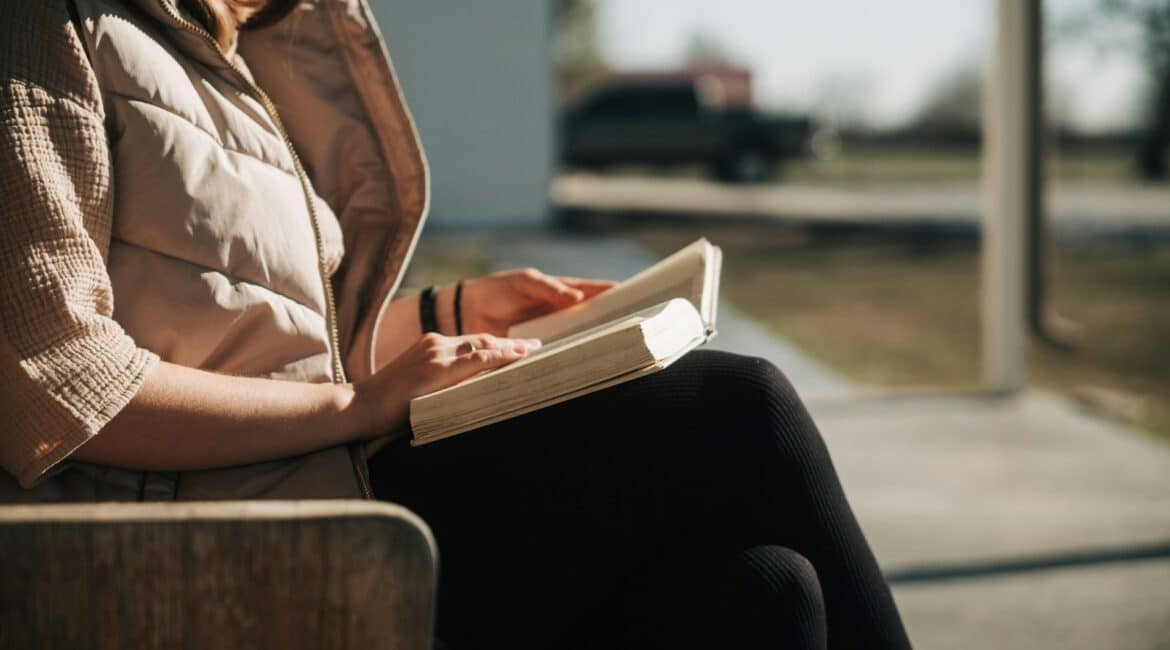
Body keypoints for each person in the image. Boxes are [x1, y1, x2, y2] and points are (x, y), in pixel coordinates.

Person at [0, 0, 911, 647]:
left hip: (315, 482)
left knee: (767, 591)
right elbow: (58, 382)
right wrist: (361, 407)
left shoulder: (224, 57)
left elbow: (260, 341)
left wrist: (452, 314)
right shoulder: (48, 25)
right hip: (216, 544)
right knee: (742, 408)